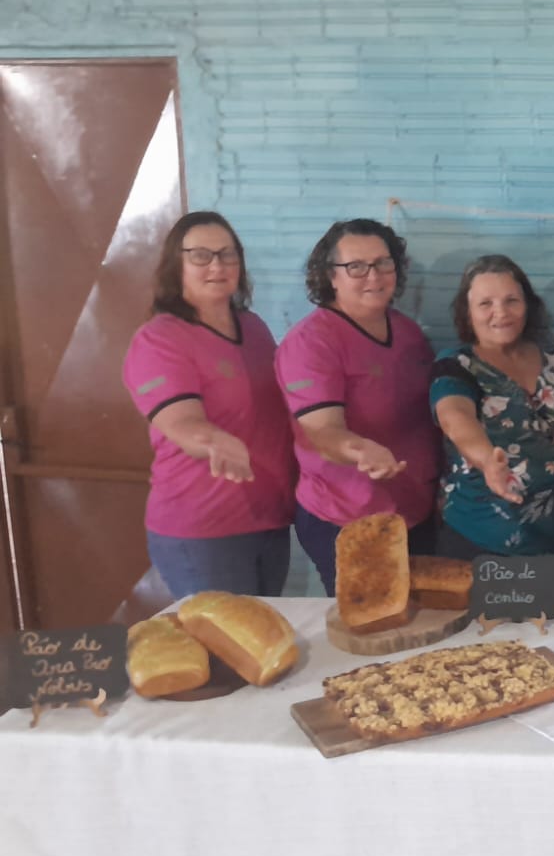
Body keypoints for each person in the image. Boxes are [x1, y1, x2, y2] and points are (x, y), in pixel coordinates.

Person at [122, 212, 296, 597]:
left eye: (227, 254)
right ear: (175, 264)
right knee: (223, 655)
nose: (217, 265)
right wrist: (213, 440)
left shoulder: (253, 328)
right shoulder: (159, 339)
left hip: (269, 518)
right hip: (204, 528)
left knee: (265, 652)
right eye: (200, 255)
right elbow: (181, 422)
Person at [275, 218, 439, 593]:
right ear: (330, 276)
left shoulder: (408, 332)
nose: (373, 276)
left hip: (415, 513)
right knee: (373, 632)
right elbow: (322, 430)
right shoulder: (311, 342)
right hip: (348, 518)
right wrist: (359, 449)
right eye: (356, 267)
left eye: (383, 263)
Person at [431, 255, 554, 598]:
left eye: (511, 300)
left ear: (527, 305)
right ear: (467, 312)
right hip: (485, 541)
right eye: (485, 303)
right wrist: (487, 460)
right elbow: (455, 416)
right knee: (490, 645)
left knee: (552, 641)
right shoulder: (456, 365)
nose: (501, 312)